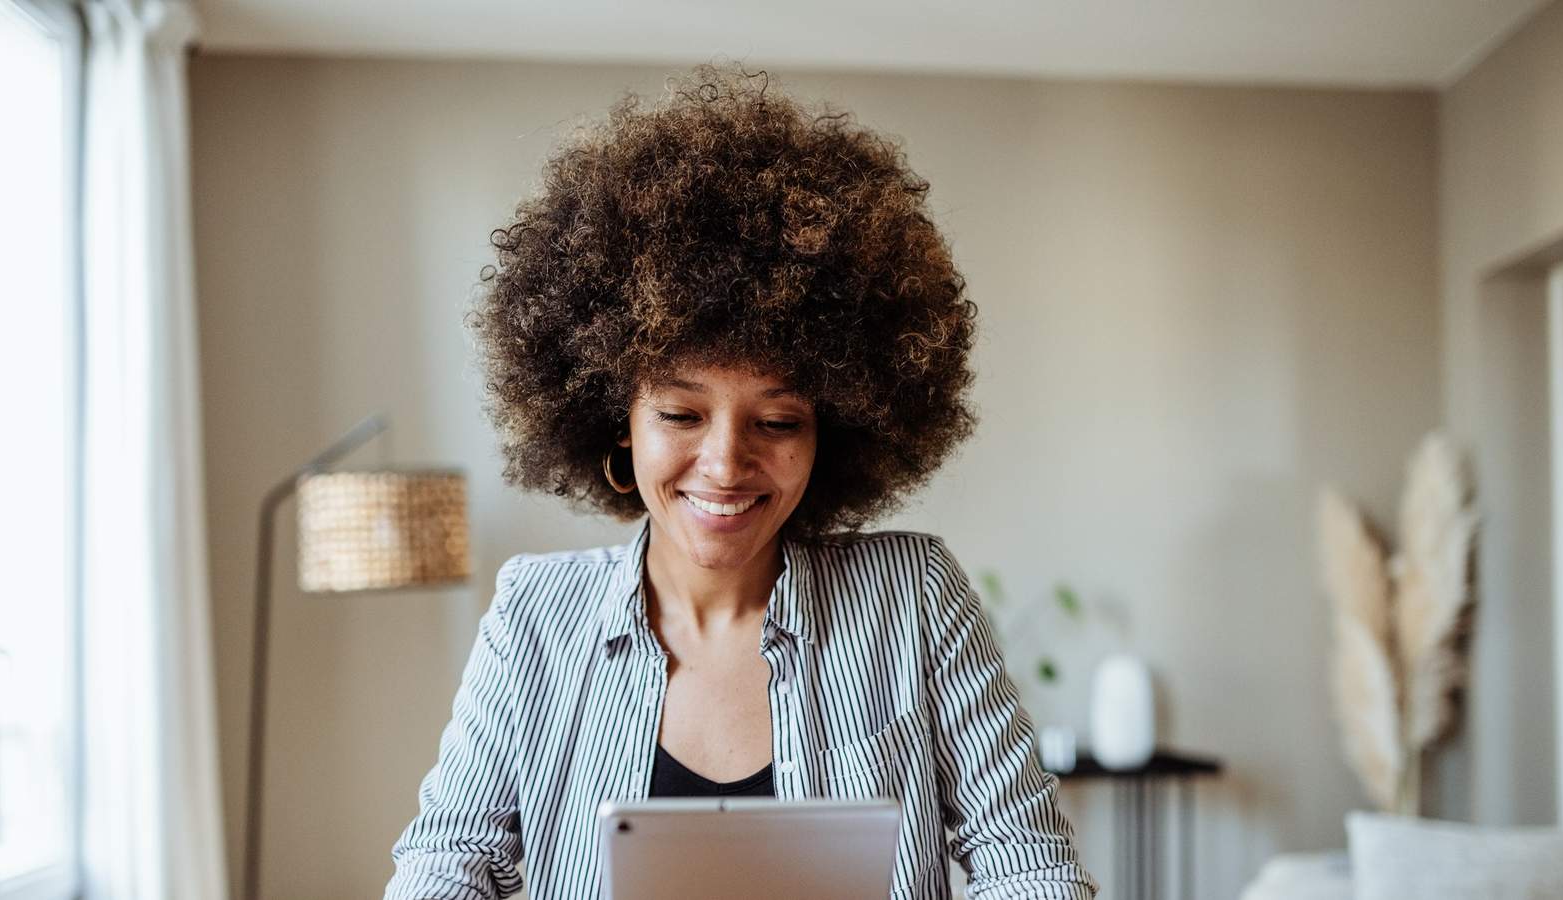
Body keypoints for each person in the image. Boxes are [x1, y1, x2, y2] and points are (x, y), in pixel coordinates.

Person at [384, 62, 1097, 900]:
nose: (725, 464)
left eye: (779, 421)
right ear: (618, 420)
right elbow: (448, 859)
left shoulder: (912, 597)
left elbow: (1032, 866)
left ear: (835, 429)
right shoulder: (537, 617)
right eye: (681, 416)